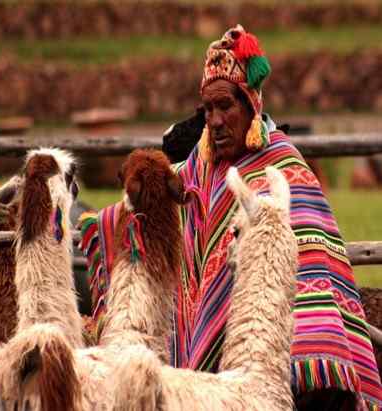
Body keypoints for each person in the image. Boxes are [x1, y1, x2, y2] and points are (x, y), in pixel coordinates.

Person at [78, 25, 382, 410]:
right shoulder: (199, 167)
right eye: (208, 109)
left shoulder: (285, 170)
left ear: (251, 105)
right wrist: (97, 223)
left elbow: (309, 278)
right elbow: (158, 198)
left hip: (270, 365)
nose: (216, 120)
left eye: (226, 106)